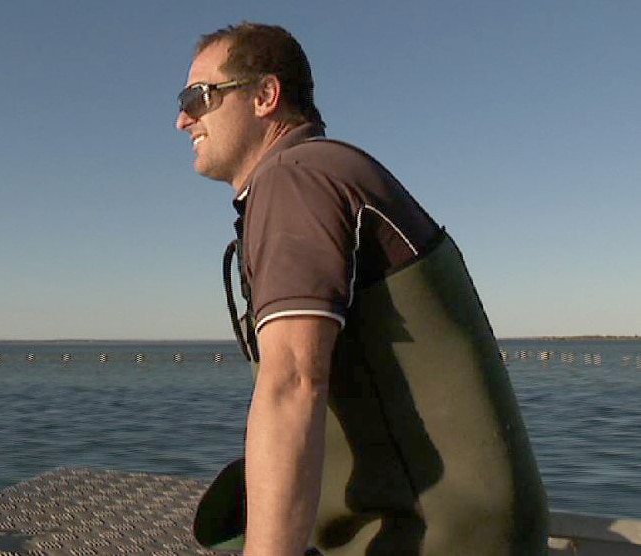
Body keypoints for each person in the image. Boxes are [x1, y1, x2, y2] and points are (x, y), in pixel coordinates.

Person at [176, 22, 548, 556]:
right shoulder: (324, 171)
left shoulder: (295, 180)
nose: (183, 118)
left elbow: (293, 383)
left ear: (264, 96)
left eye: (199, 97)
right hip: (482, 527)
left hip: (434, 537)